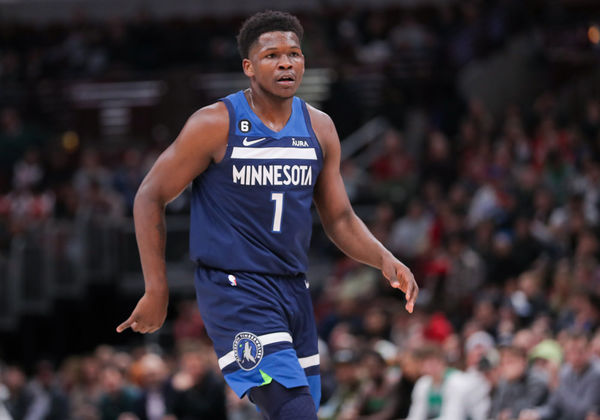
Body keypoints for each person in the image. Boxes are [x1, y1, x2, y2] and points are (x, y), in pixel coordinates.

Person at [116, 10, 418, 420]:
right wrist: (157, 289)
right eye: (272, 55)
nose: (285, 63)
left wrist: (384, 257)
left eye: (294, 54)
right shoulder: (215, 123)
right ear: (249, 67)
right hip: (234, 289)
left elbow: (340, 218)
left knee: (299, 411)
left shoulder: (320, 127)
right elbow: (149, 196)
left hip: (294, 289)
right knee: (296, 413)